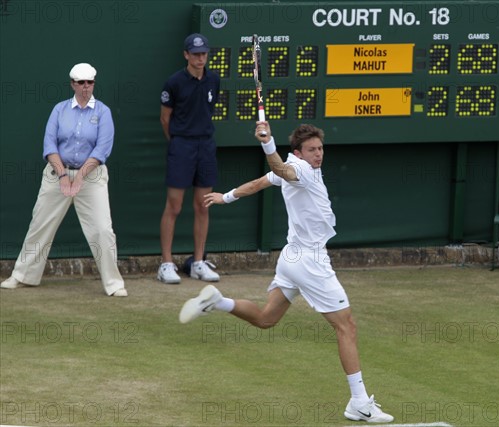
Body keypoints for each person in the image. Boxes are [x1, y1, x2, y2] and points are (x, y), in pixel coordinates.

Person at [179, 122, 394, 423]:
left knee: (267, 318)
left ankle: (218, 302)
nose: (318, 154)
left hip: (290, 257)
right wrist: (268, 144)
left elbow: (257, 184)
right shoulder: (300, 171)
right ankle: (358, 402)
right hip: (309, 261)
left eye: (320, 149)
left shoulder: (301, 167)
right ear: (298, 153)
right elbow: (281, 170)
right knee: (347, 327)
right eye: (311, 150)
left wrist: (225, 197)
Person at [0, 63, 127, 297]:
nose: (86, 87)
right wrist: (62, 175)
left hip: (92, 177)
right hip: (56, 175)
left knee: (102, 229)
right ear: (72, 84)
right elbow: (50, 145)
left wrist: (78, 177)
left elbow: (102, 149)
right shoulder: (59, 110)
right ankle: (23, 275)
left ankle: (114, 284)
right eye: (81, 82)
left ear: (94, 84)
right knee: (40, 224)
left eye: (90, 82)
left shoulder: (103, 112)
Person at [158, 33, 220, 285]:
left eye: (203, 54)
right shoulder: (173, 82)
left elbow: (208, 110)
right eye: (195, 54)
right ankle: (165, 264)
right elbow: (165, 119)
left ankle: (197, 263)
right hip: (181, 145)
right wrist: (177, 143)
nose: (200, 58)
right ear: (186, 55)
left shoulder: (214, 80)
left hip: (205, 146)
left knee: (203, 205)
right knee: (174, 206)